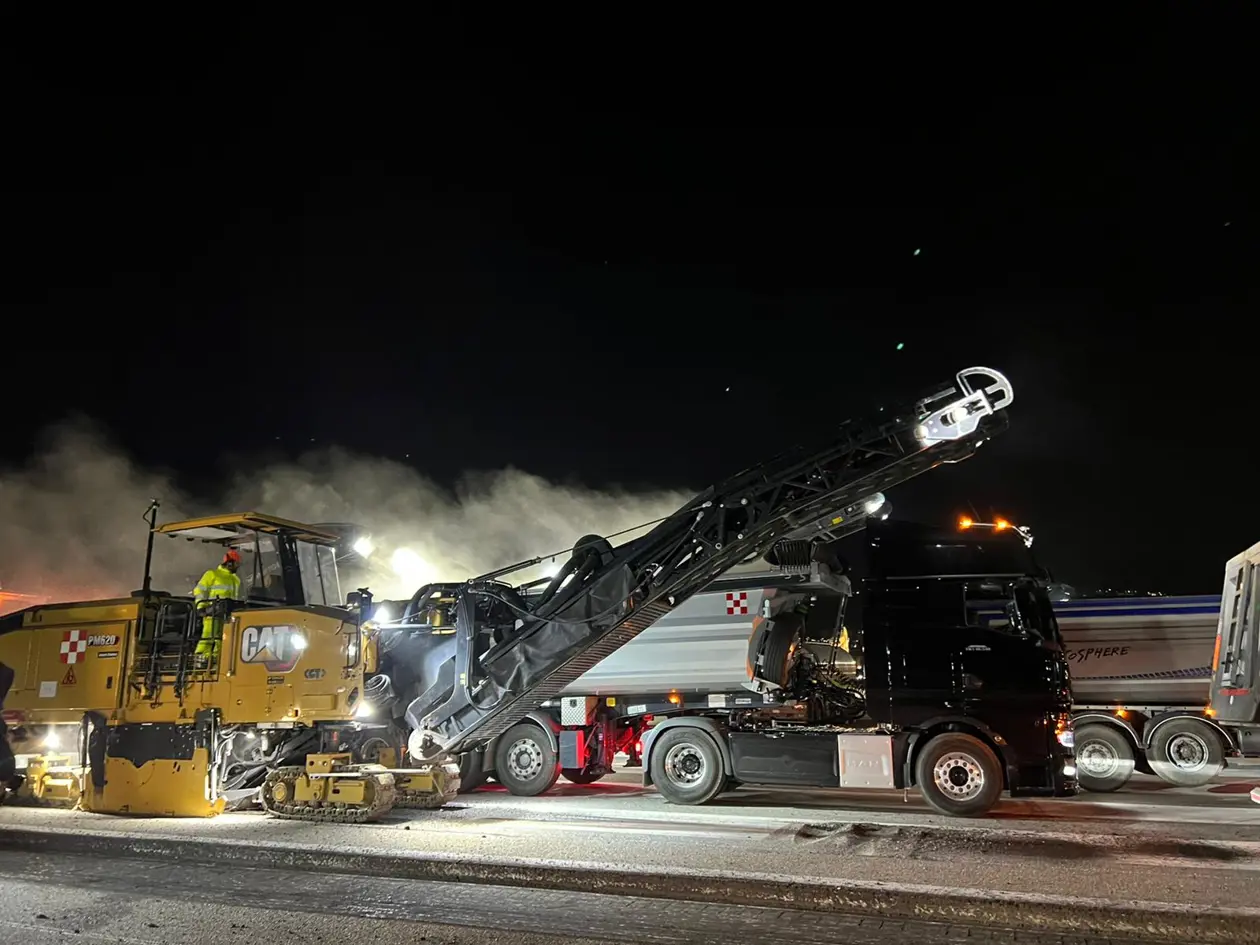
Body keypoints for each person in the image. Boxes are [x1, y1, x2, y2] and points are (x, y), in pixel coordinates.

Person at [193, 549, 243, 664]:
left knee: (222, 638)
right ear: (229, 563)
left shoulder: (236, 579)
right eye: (236, 563)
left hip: (228, 613)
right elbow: (200, 590)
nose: (237, 566)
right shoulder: (212, 574)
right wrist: (201, 607)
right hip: (212, 611)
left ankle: (216, 659)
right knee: (208, 636)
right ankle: (200, 659)